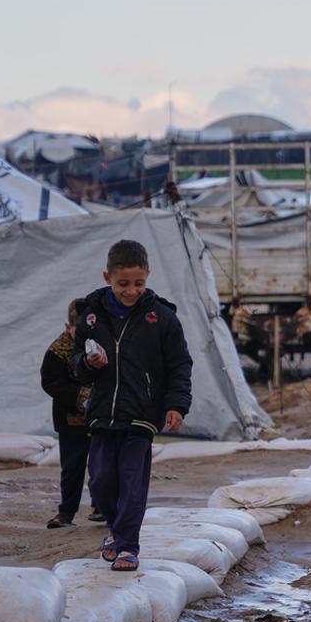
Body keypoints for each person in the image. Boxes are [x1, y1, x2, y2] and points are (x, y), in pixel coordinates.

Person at [71, 240, 193, 571]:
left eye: (139, 283)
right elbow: (76, 364)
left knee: (131, 481)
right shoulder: (92, 317)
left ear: (148, 277)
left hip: (141, 413)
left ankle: (127, 546)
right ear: (107, 277)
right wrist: (89, 363)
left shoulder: (162, 318)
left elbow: (180, 364)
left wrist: (176, 405)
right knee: (99, 481)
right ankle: (116, 530)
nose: (131, 291)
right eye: (123, 284)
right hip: (102, 414)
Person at [40, 299, 103, 528]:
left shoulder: (100, 347)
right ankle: (66, 513)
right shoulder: (58, 351)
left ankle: (101, 506)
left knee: (102, 465)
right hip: (71, 421)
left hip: (101, 420)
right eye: (79, 330)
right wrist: (82, 396)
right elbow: (51, 382)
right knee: (72, 468)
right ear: (69, 327)